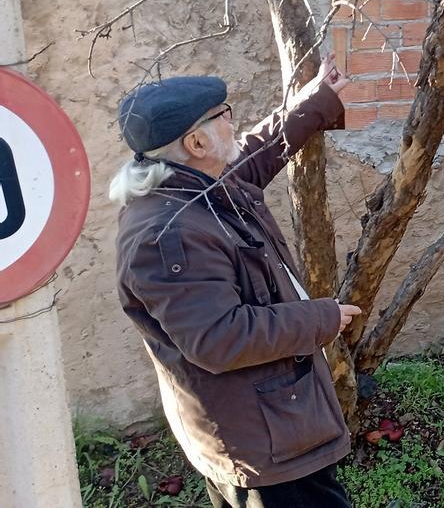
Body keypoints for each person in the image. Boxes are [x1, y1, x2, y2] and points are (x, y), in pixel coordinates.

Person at [110, 59, 361, 508]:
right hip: (260, 443)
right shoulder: (170, 235)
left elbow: (255, 152)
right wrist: (323, 317)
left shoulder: (193, 184)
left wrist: (316, 101)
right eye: (221, 113)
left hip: (270, 421)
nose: (232, 120)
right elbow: (219, 338)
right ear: (196, 141)